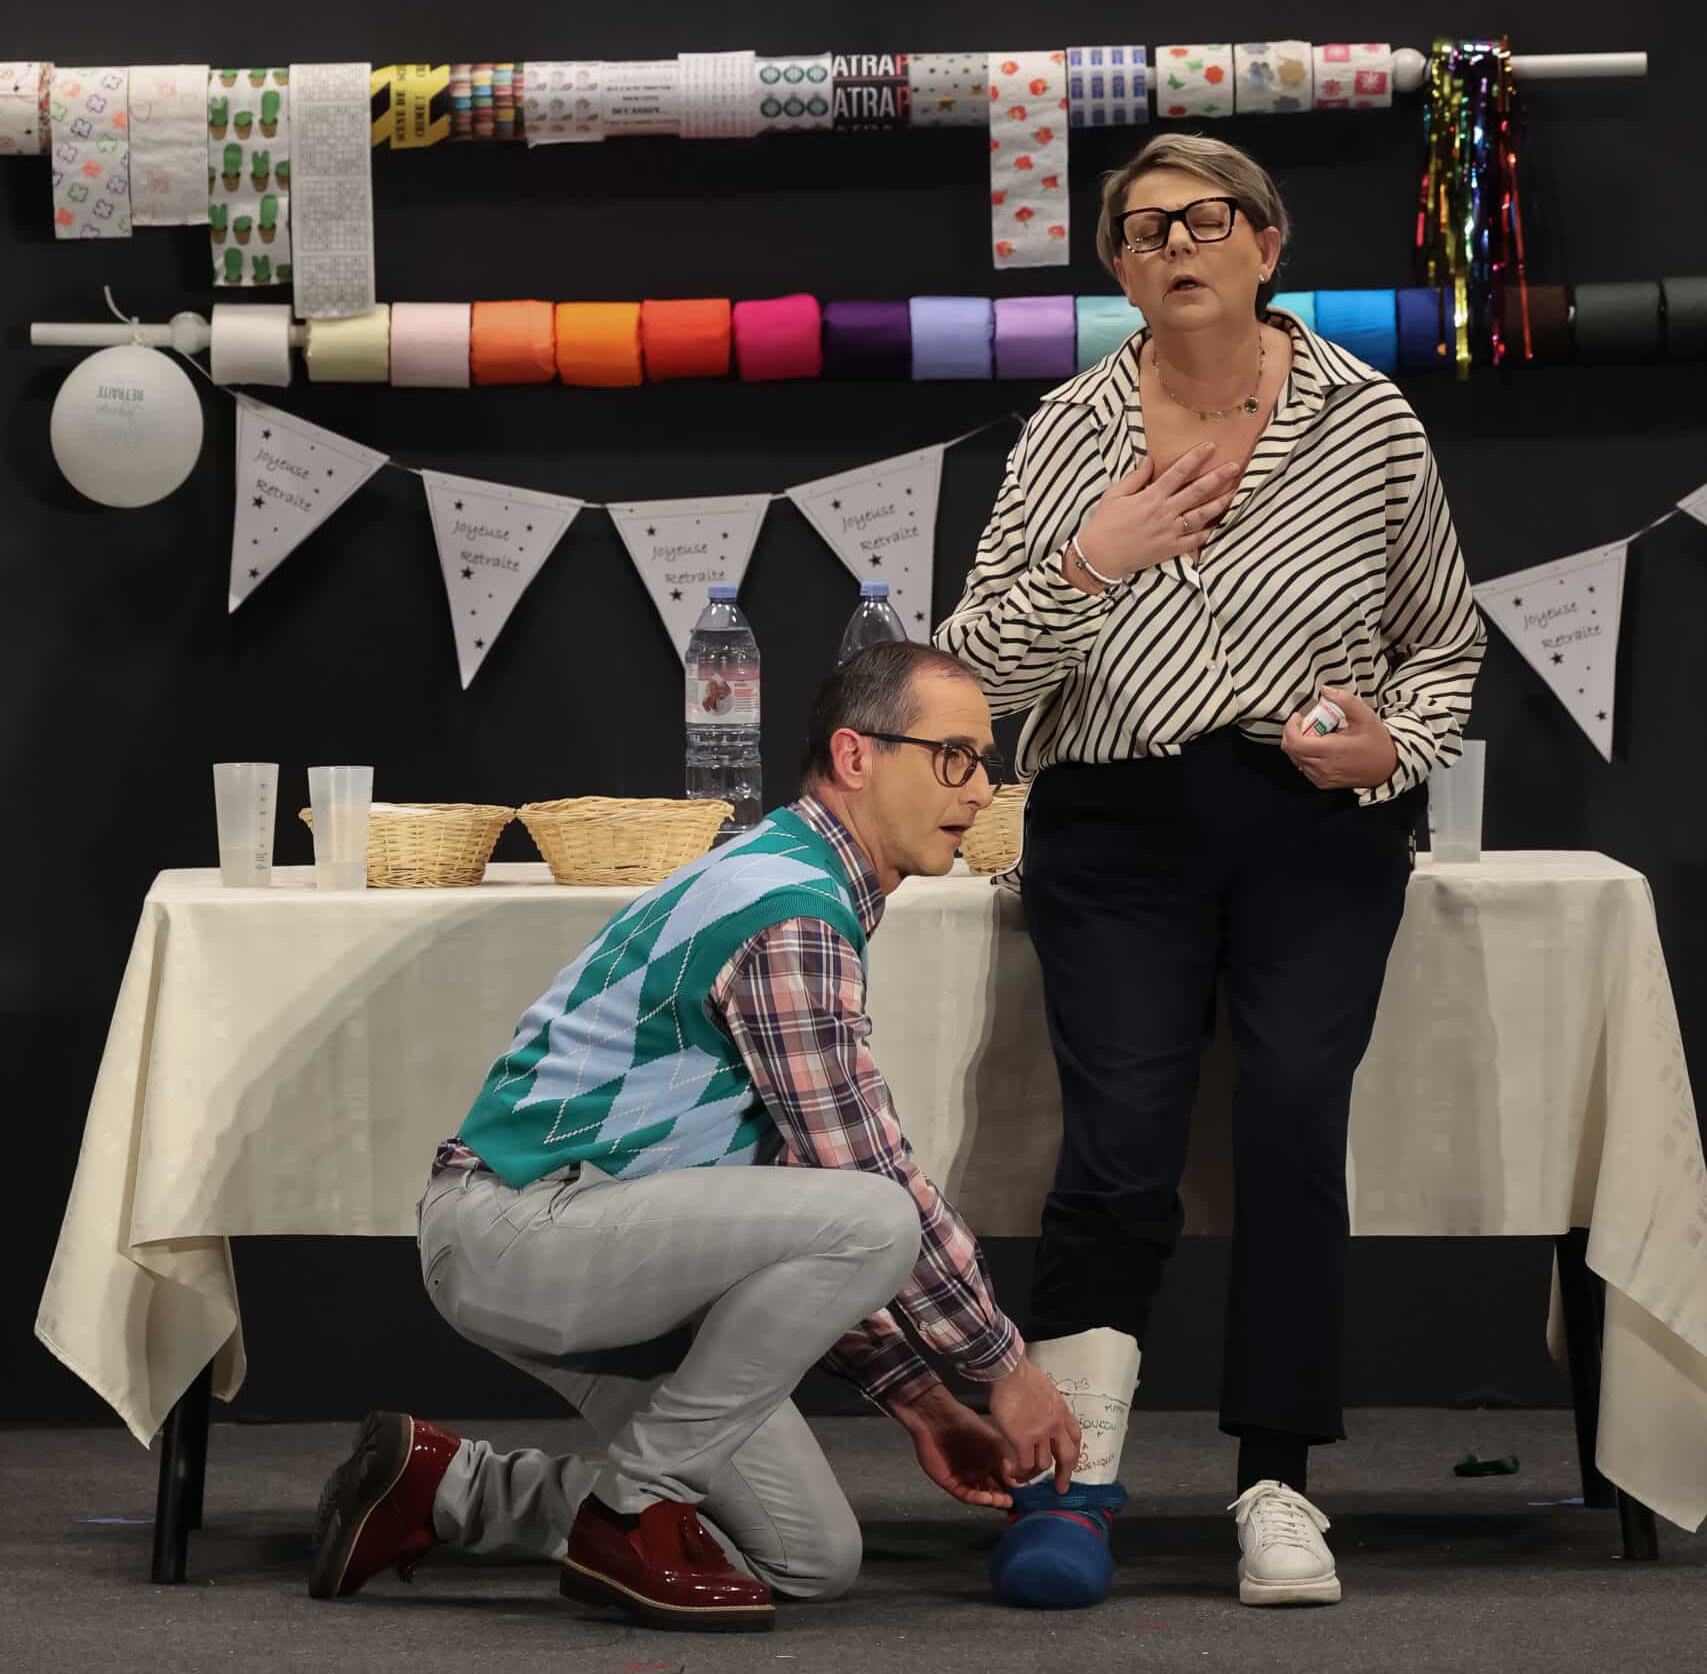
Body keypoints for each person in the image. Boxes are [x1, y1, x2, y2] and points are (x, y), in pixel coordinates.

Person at [938, 131, 1486, 1610]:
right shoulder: (1064, 432)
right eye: (1142, 229)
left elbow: (1443, 643)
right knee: (1118, 1142)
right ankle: (1071, 1483)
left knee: (1294, 1122)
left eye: (1206, 218)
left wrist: (1387, 746)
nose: (1176, 244)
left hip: (1314, 827)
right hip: (1113, 825)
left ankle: (1279, 1482)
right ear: (1117, 270)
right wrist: (1090, 561)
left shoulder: (1368, 420)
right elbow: (975, 673)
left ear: (1266, 243)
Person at [309, 641, 1080, 1629]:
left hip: (622, 1246)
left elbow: (794, 1221)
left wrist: (925, 1405)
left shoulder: (797, 873)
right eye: (954, 756)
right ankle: (635, 1510)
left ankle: (443, 1487)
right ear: (855, 755)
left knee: (809, 1557)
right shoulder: (791, 912)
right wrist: (1004, 1370)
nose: (978, 789)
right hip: (524, 1230)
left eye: (985, 762)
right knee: (877, 1208)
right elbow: (861, 1180)